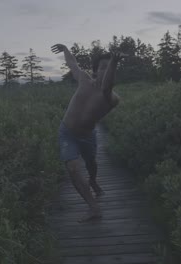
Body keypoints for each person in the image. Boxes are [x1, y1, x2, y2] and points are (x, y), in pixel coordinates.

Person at [51, 43, 126, 222]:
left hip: (87, 136)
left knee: (91, 164)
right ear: (95, 71)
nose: (106, 71)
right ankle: (94, 207)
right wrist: (66, 49)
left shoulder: (112, 98)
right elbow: (73, 65)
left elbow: (107, 86)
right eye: (102, 67)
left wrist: (114, 62)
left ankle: (93, 180)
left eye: (109, 68)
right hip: (67, 133)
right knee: (73, 169)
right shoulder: (84, 80)